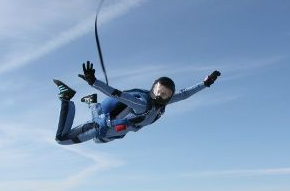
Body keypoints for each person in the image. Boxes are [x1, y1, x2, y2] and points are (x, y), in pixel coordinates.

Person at [53, 61, 221, 144]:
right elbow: (118, 94)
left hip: (114, 133)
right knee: (61, 139)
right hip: (102, 128)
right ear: (153, 89)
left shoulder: (161, 105)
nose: (162, 96)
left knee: (98, 138)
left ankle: (92, 102)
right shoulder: (141, 104)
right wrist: (94, 82)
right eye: (159, 92)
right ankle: (67, 98)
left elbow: (184, 94)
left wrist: (205, 84)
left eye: (166, 94)